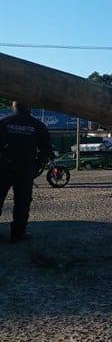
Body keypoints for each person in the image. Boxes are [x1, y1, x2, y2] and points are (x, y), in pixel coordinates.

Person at [0, 101, 51, 242]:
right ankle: (18, 233)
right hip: (25, 168)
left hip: (4, 166)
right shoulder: (37, 125)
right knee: (22, 202)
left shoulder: (4, 122)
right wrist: (36, 166)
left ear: (13, 106)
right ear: (29, 108)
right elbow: (45, 149)